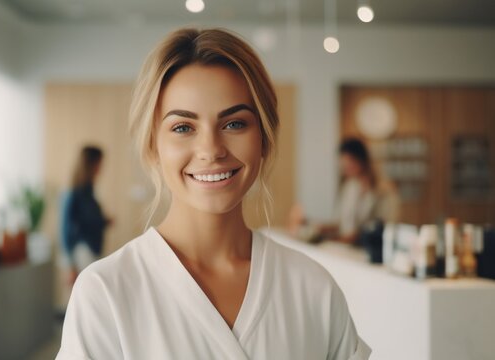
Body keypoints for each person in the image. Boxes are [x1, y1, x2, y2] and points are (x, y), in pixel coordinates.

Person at [56, 28, 371, 360]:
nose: (211, 150)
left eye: (234, 123)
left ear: (264, 138)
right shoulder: (105, 293)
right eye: (183, 127)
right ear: (153, 145)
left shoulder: (313, 288)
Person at [292, 138, 400, 244]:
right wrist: (315, 226)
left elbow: (386, 227)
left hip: (371, 250)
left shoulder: (384, 190)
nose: (344, 168)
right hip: (347, 249)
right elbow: (341, 223)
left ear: (361, 160)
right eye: (343, 163)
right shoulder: (350, 187)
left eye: (348, 163)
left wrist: (348, 238)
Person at [59, 145, 111, 285]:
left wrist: (103, 221)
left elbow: (88, 221)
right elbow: (65, 229)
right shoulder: (74, 193)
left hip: (93, 249)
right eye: (100, 163)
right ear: (91, 164)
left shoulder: (89, 193)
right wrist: (70, 265)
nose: (101, 168)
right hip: (82, 251)